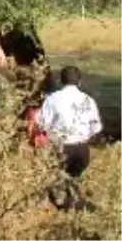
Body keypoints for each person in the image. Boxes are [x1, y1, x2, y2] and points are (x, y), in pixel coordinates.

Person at [39, 65, 102, 211]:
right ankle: (75, 202)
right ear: (80, 81)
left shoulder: (52, 99)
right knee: (75, 176)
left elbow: (43, 124)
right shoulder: (88, 100)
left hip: (61, 146)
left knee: (58, 176)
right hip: (81, 148)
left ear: (60, 81)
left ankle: (64, 203)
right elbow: (96, 127)